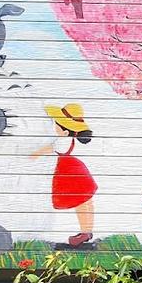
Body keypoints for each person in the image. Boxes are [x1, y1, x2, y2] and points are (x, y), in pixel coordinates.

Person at [31, 103, 98, 247]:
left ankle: (85, 232)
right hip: (79, 173)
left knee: (81, 203)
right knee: (86, 202)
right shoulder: (71, 140)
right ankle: (86, 231)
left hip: (70, 175)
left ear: (65, 131)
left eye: (57, 125)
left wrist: (32, 155)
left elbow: (46, 149)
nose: (55, 127)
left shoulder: (61, 141)